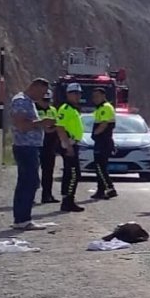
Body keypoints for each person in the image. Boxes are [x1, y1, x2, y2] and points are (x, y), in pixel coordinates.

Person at [10, 78, 53, 230]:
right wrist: (41, 123)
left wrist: (44, 126)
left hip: (31, 147)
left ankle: (23, 218)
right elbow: (21, 125)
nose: (42, 96)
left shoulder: (29, 102)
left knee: (29, 182)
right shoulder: (21, 101)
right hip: (24, 147)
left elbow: (30, 124)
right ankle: (22, 219)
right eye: (41, 92)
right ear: (34, 87)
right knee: (28, 182)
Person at [55, 83, 87, 213]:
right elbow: (60, 127)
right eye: (74, 93)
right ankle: (68, 200)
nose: (77, 96)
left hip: (73, 143)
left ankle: (68, 199)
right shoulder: (65, 109)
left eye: (79, 93)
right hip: (68, 143)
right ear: (68, 94)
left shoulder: (74, 108)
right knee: (74, 173)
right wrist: (67, 145)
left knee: (70, 173)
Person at [90, 87, 118, 200]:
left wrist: (95, 134)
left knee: (100, 167)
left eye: (97, 96)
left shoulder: (106, 107)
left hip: (104, 142)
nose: (94, 99)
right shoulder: (98, 108)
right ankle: (101, 190)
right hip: (100, 141)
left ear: (103, 96)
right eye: (93, 96)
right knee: (99, 167)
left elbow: (104, 124)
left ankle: (110, 188)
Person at [36, 89, 60, 204]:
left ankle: (47, 195)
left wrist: (52, 128)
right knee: (32, 173)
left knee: (48, 172)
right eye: (44, 100)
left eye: (48, 100)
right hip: (37, 144)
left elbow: (57, 124)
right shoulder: (34, 109)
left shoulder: (53, 110)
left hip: (50, 145)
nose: (46, 103)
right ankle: (29, 196)